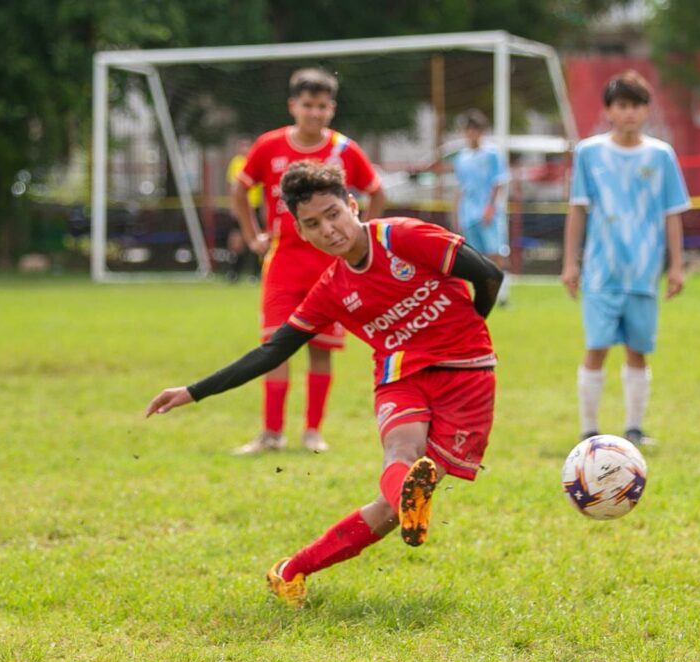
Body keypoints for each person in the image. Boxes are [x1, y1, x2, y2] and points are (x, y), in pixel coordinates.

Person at [146, 161, 503, 608]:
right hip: (400, 375)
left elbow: (488, 275)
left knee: (392, 510)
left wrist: (468, 329)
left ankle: (293, 568)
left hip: (467, 374)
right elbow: (272, 352)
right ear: (300, 231)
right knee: (401, 455)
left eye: (333, 214)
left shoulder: (403, 237)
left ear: (353, 206)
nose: (328, 229)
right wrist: (193, 391)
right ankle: (406, 498)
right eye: (313, 224)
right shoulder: (331, 290)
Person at [230, 68, 386, 455]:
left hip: (329, 267)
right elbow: (240, 189)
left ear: (331, 109)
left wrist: (361, 234)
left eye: (321, 106)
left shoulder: (344, 150)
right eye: (307, 105)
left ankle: (313, 431)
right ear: (293, 106)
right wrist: (253, 237)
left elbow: (376, 191)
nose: (314, 113)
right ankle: (271, 433)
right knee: (275, 346)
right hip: (283, 261)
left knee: (321, 348)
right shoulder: (270, 146)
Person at [560, 70, 690, 446]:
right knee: (596, 347)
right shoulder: (589, 152)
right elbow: (578, 210)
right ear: (609, 111)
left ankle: (634, 427)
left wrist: (676, 265)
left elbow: (672, 213)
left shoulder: (661, 156)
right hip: (602, 272)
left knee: (638, 350)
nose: (629, 113)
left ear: (647, 110)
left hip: (644, 272)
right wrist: (571, 263)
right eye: (622, 106)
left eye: (636, 105)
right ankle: (588, 429)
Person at [452, 109, 512, 305]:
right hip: (468, 213)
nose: (471, 134)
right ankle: (481, 293)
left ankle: (502, 294)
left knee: (495, 252)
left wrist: (490, 207)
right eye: (468, 130)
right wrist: (456, 213)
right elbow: (460, 187)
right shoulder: (461, 158)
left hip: (488, 213)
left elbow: (498, 182)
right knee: (475, 255)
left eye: (475, 130)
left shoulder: (492, 154)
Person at [225, 137, 262, 282]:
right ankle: (233, 271)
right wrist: (233, 205)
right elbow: (232, 186)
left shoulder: (256, 161)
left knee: (257, 238)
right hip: (240, 208)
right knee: (236, 240)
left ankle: (255, 273)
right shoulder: (236, 162)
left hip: (255, 206)